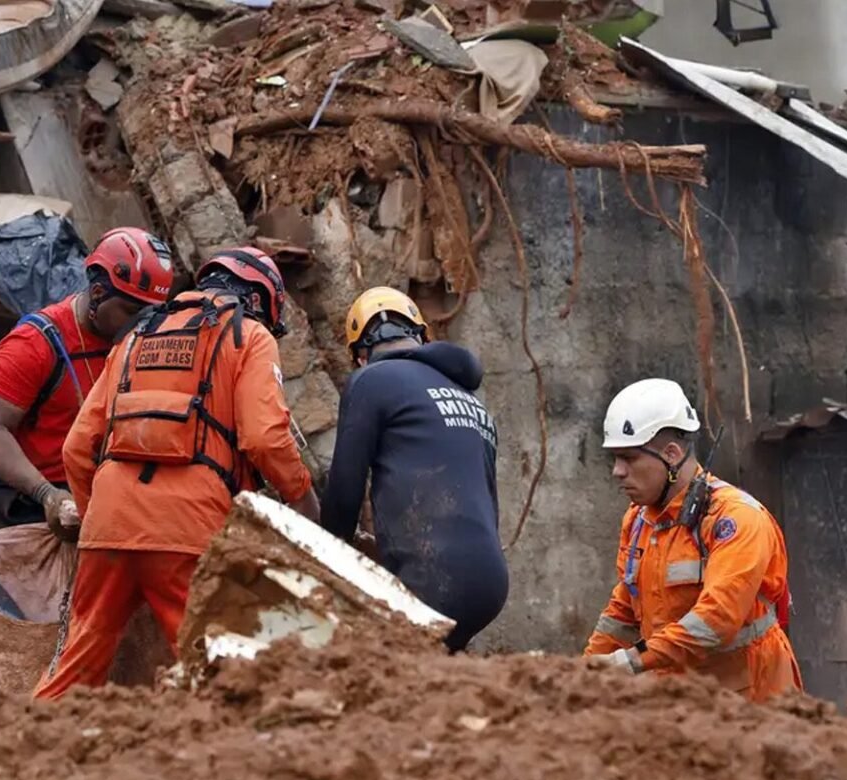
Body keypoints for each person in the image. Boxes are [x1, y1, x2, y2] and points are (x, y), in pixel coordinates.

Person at [35, 247, 319, 700]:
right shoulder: (249, 334)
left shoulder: (136, 335)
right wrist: (302, 497)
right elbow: (264, 438)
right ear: (259, 301)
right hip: (188, 529)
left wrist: (97, 524)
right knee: (220, 673)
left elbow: (76, 450)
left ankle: (20, 738)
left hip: (108, 527)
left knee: (75, 669)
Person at [583, 378, 800, 702]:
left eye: (628, 458)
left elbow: (716, 620)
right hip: (685, 698)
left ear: (671, 454)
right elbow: (625, 608)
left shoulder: (735, 519)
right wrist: (583, 671)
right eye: (614, 459)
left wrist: (629, 662)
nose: (617, 471)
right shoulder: (640, 519)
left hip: (752, 700)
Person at [319, 287, 507, 651]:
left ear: (360, 355)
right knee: (430, 670)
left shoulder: (372, 380)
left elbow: (344, 493)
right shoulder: (471, 401)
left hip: (434, 577)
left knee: (369, 666)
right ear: (421, 337)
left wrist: (322, 559)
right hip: (490, 581)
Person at [0, 227, 174, 538]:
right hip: (38, 500)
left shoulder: (136, 341)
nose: (141, 323)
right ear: (98, 293)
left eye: (150, 312)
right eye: (132, 311)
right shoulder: (35, 344)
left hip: (107, 492)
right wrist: (46, 494)